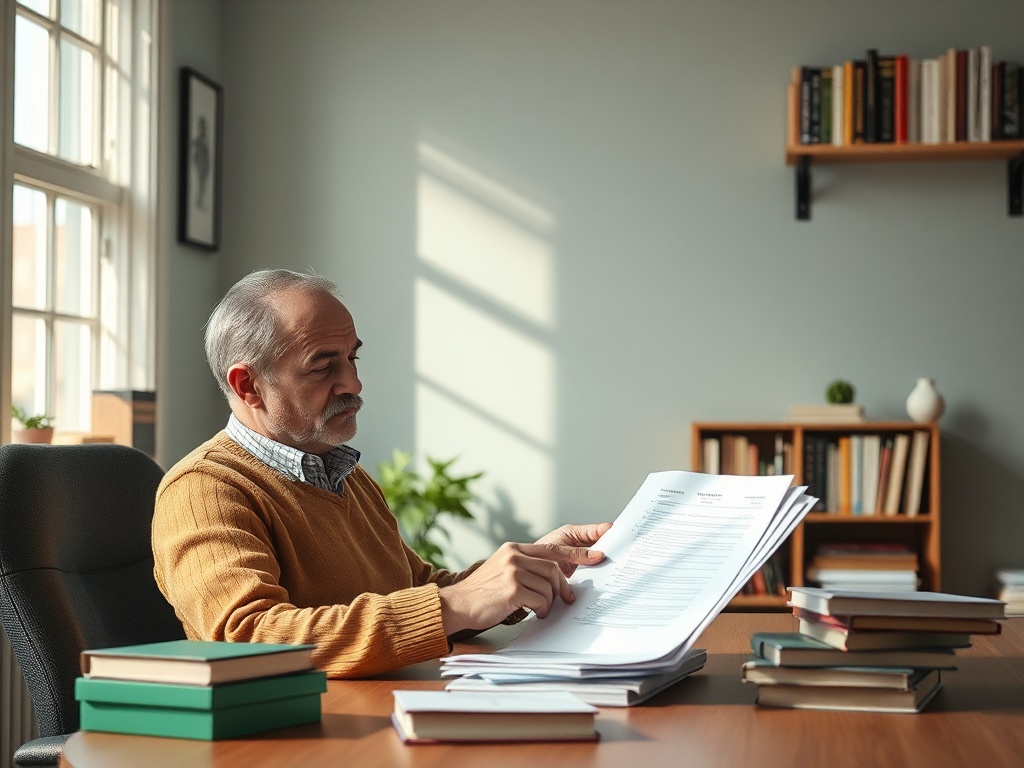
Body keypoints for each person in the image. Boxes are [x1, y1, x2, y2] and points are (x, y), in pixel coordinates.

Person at [152, 269, 612, 678]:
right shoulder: (203, 490)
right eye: (323, 365)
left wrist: (529, 569)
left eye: (352, 358)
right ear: (247, 385)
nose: (352, 383)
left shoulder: (344, 475)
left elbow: (415, 591)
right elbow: (250, 638)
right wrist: (456, 603)